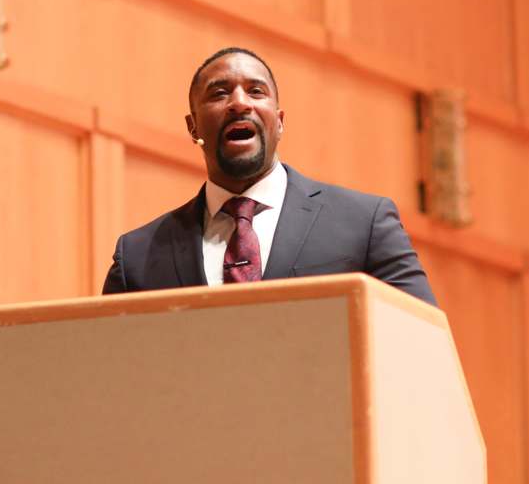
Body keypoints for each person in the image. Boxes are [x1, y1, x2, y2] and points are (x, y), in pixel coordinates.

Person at [102, 47, 437, 305]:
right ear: (193, 127)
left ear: (279, 122)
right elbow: (106, 376)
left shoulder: (364, 223)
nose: (239, 102)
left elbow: (420, 344)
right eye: (219, 93)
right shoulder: (138, 256)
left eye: (256, 91)